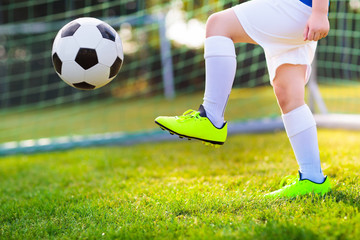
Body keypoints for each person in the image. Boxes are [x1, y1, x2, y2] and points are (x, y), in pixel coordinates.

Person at [155, 0, 331, 198]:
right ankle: (313, 178)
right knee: (288, 94)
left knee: (218, 24)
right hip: (298, 13)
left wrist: (320, 11)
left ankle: (210, 117)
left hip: (296, 6)